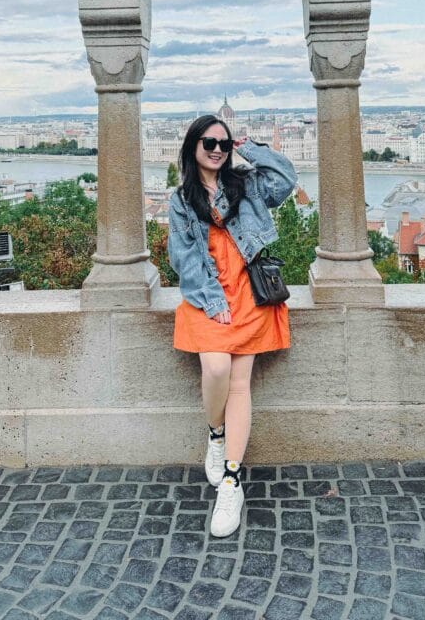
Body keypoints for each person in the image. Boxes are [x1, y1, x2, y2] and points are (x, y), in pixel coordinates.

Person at [168, 114, 297, 537]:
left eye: (223, 144)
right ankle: (215, 433)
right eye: (209, 143)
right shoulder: (180, 199)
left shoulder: (246, 184)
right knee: (216, 367)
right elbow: (183, 257)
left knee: (240, 383)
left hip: (247, 291)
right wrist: (211, 300)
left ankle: (232, 480)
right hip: (206, 291)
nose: (218, 151)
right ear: (193, 147)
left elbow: (286, 179)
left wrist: (249, 147)